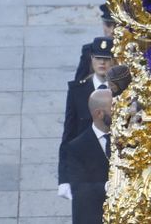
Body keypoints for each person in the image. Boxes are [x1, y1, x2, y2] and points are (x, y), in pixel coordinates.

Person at [60, 87, 112, 224]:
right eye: (114, 108)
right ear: (99, 113)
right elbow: (80, 189)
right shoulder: (76, 148)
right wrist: (108, 187)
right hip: (93, 217)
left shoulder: (127, 138)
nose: (120, 111)